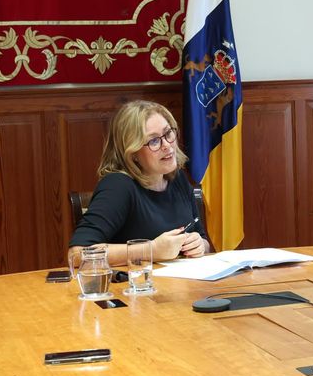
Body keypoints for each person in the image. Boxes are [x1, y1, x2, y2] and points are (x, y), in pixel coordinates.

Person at [68, 100, 209, 267]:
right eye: (154, 141)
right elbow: (77, 254)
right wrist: (151, 250)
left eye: (168, 133)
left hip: (180, 286)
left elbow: (203, 239)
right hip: (133, 287)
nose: (167, 145)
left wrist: (199, 245)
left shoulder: (176, 177)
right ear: (132, 153)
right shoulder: (118, 186)